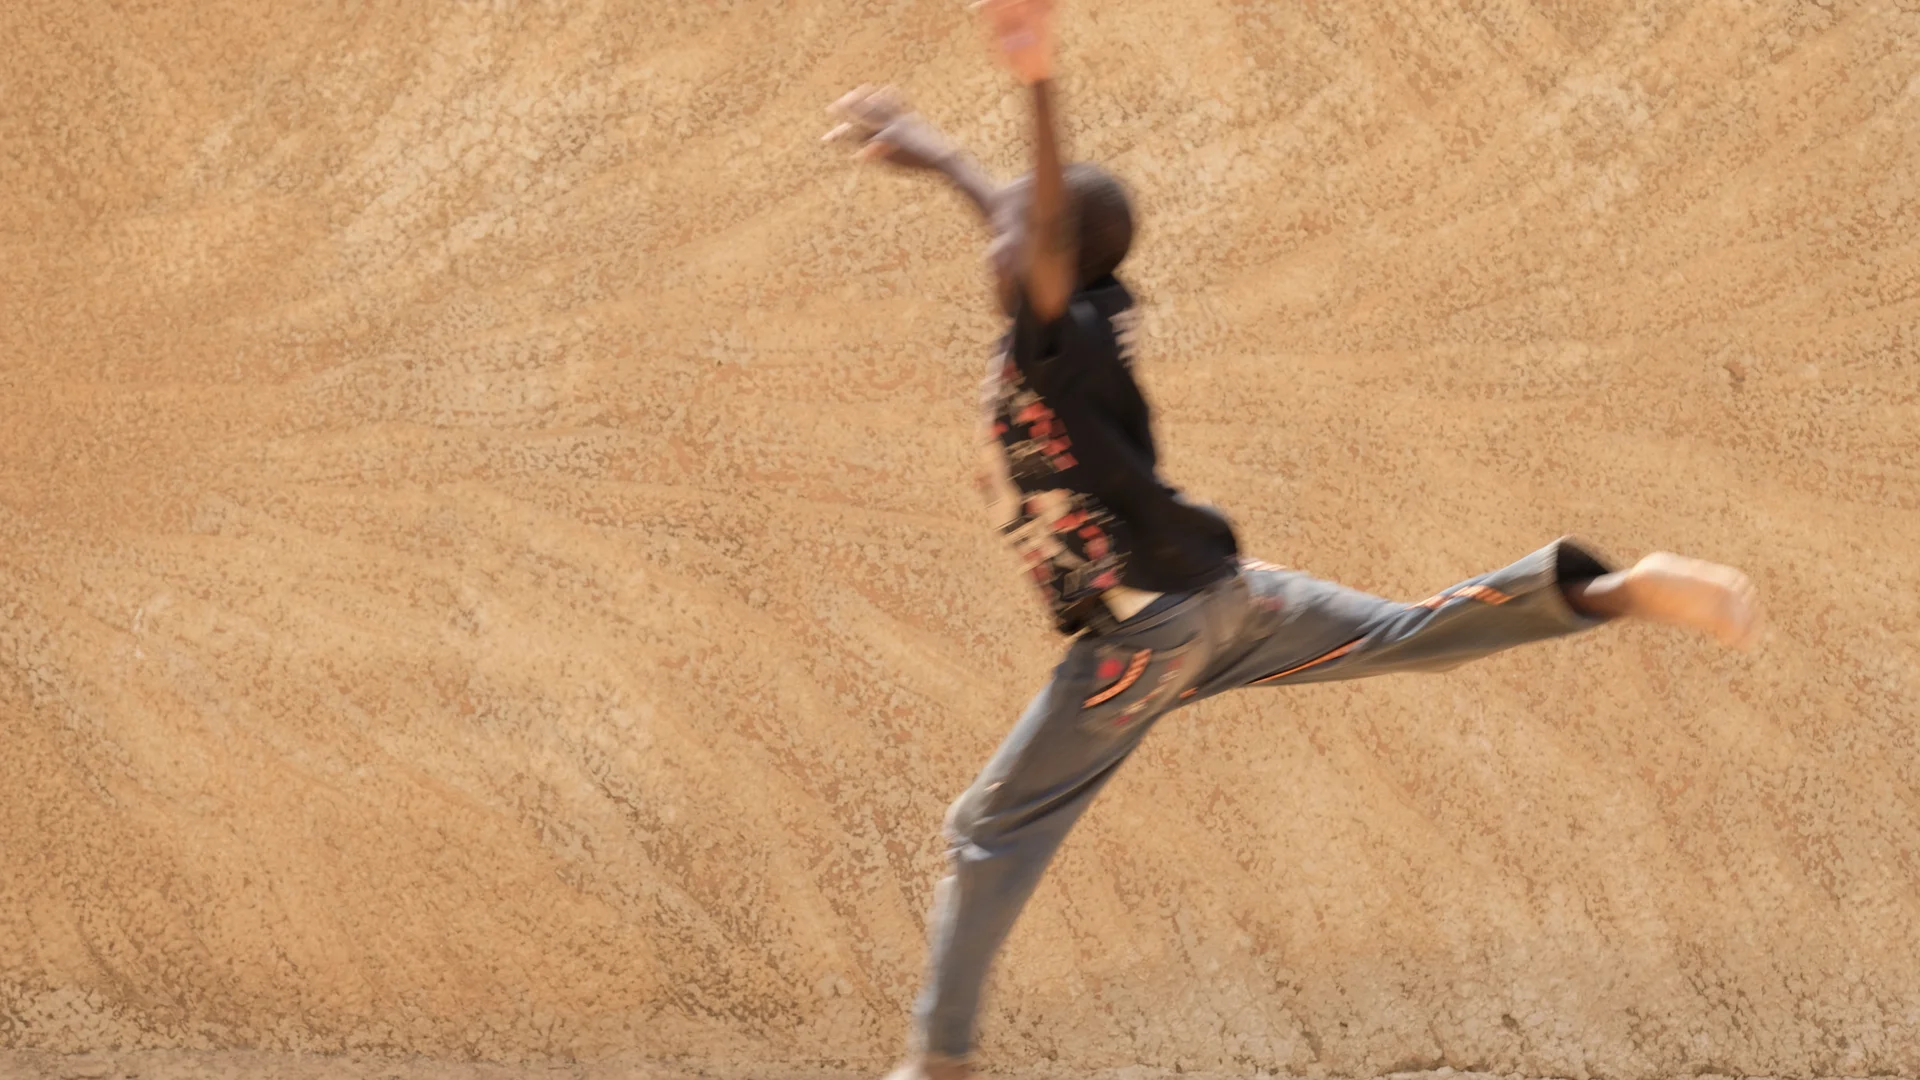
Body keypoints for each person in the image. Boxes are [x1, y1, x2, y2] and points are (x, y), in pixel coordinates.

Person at [822, 2, 1761, 1077]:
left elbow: (1026, 228)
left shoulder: (1050, 338)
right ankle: (1610, 592)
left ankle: (937, 1062)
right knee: (1408, 631)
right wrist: (937, 152)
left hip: (1145, 634)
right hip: (1228, 598)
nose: (997, 233)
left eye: (1019, 229)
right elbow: (1018, 215)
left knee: (988, 831)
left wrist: (1037, 78)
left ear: (1053, 255)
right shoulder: (1090, 313)